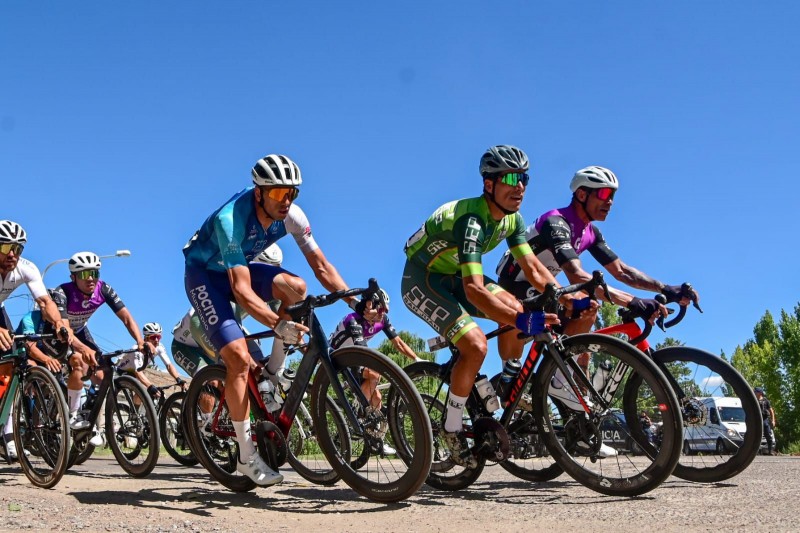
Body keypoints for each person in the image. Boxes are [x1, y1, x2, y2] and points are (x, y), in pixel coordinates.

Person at [401, 145, 589, 467]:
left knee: (516, 305)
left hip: (453, 275)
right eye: (512, 179)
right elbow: (474, 290)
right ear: (489, 184)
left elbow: (532, 268)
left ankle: (507, 379)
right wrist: (521, 320)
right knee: (477, 344)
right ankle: (451, 428)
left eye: (524, 178)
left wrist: (563, 295)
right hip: (423, 279)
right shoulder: (472, 220)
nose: (520, 187)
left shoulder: (512, 219)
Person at [182, 154, 365, 486]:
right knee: (238, 358)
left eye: (292, 193)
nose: (287, 201)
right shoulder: (230, 220)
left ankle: (272, 372)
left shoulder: (292, 216)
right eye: (280, 193)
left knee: (297, 288)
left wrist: (355, 301)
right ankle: (246, 456)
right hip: (205, 278)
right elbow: (241, 290)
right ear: (259, 193)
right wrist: (278, 325)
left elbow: (321, 266)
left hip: (238, 270)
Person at [496, 166, 697, 409]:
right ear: (582, 194)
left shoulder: (590, 232)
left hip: (547, 288)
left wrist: (664, 288)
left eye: (613, 196)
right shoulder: (556, 222)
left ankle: (559, 380)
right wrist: (632, 301)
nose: (610, 202)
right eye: (603, 194)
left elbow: (622, 271)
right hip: (515, 285)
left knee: (588, 305)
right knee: (582, 296)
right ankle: (514, 377)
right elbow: (577, 275)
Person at [49, 251, 152, 446]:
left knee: (103, 373)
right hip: (58, 334)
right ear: (73, 277)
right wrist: (82, 350)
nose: (91, 279)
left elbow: (126, 318)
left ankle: (91, 415)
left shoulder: (103, 289)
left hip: (80, 330)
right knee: (79, 362)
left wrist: (140, 341)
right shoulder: (62, 293)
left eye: (94, 273)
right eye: (84, 274)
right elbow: (66, 331)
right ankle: (73, 414)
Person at [0, 220, 73, 460]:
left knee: (11, 357)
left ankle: (7, 432)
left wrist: (58, 323)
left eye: (18, 249)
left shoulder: (26, 267)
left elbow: (45, 302)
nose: (12, 254)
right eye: (6, 248)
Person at [329, 288, 421, 455]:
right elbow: (364, 353)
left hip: (355, 359)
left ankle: (376, 440)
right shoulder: (353, 320)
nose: (383, 313)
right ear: (369, 306)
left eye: (386, 309)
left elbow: (398, 343)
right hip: (338, 359)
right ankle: (357, 417)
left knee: (377, 398)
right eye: (381, 309)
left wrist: (417, 359)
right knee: (374, 373)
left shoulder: (382, 320)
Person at [117, 322, 186, 400]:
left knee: (152, 391)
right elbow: (137, 372)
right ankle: (135, 408)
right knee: (143, 389)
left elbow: (169, 365)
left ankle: (141, 406)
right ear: (146, 338)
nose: (156, 340)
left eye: (158, 337)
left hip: (137, 372)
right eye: (153, 337)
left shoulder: (159, 347)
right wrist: (150, 386)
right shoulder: (136, 350)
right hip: (124, 372)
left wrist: (178, 379)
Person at [755, 387, 777, 455]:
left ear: (760, 393)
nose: (754, 393)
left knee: (768, 435)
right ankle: (755, 451)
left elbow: (771, 411)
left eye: (756, 392)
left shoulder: (765, 400)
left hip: (764, 420)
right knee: (756, 436)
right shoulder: (754, 400)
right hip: (756, 420)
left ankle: (770, 451)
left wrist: (773, 420)